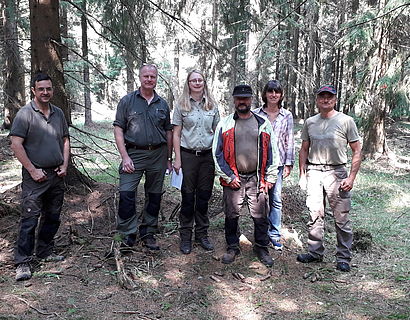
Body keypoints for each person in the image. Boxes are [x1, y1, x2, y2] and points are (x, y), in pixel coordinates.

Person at [10, 73, 70, 281]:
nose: (45, 92)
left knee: (53, 216)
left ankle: (45, 250)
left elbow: (64, 140)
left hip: (56, 174)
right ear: (34, 90)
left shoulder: (58, 113)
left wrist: (64, 164)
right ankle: (22, 262)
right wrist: (32, 170)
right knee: (29, 218)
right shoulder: (25, 114)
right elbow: (16, 144)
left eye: (48, 89)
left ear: (52, 90)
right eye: (41, 89)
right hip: (34, 176)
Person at [212, 84, 279, 267]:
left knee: (260, 216)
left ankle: (261, 247)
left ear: (251, 100)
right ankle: (232, 246)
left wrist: (270, 178)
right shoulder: (225, 124)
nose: (242, 101)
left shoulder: (262, 123)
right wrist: (229, 177)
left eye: (246, 98)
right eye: (239, 98)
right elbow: (216, 153)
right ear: (234, 100)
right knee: (231, 215)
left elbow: (273, 152)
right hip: (233, 179)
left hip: (256, 179)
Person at [297, 85, 361, 272]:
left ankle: (343, 257)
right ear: (317, 100)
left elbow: (357, 150)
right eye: (322, 97)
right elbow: (304, 149)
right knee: (315, 214)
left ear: (335, 99)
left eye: (329, 97)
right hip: (314, 172)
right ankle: (315, 252)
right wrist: (302, 175)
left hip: (337, 173)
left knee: (341, 217)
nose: (326, 100)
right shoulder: (310, 122)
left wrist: (351, 178)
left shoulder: (346, 121)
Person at [113, 64, 173, 251]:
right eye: (146, 76)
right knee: (127, 194)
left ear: (156, 79)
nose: (149, 79)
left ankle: (148, 232)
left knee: (154, 195)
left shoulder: (162, 104)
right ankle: (127, 234)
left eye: (152, 77)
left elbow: (168, 132)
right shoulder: (127, 101)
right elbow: (118, 129)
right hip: (133, 154)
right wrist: (124, 157)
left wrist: (168, 158)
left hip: (158, 154)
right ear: (140, 77)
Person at [172, 70, 220, 254]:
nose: (197, 83)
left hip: (207, 157)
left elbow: (217, 131)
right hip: (188, 156)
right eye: (194, 80)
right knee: (188, 196)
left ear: (204, 83)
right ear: (188, 83)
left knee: (203, 196)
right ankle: (185, 236)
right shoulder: (182, 105)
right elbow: (176, 133)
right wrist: (177, 158)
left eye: (200, 80)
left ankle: (202, 234)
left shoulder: (212, 105)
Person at [254, 80, 295, 250]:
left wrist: (288, 164)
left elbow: (289, 140)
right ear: (265, 94)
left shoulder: (287, 115)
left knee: (276, 199)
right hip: (258, 163)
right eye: (270, 91)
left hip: (277, 164)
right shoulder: (255, 113)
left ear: (280, 95)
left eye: (276, 92)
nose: (273, 95)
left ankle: (275, 234)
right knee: (259, 199)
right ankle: (260, 232)